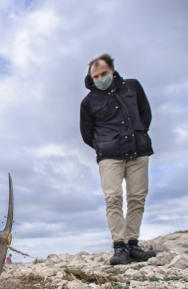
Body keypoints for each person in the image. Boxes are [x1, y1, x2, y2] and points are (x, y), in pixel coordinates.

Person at [79, 54, 157, 265]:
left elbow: (145, 114)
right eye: (96, 76)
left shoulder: (132, 87)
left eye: (104, 73)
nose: (100, 78)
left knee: (136, 198)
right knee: (113, 198)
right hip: (109, 157)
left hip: (137, 151)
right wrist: (104, 145)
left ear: (112, 70)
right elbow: (87, 134)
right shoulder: (88, 103)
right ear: (91, 78)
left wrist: (138, 134)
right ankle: (120, 247)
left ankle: (133, 244)